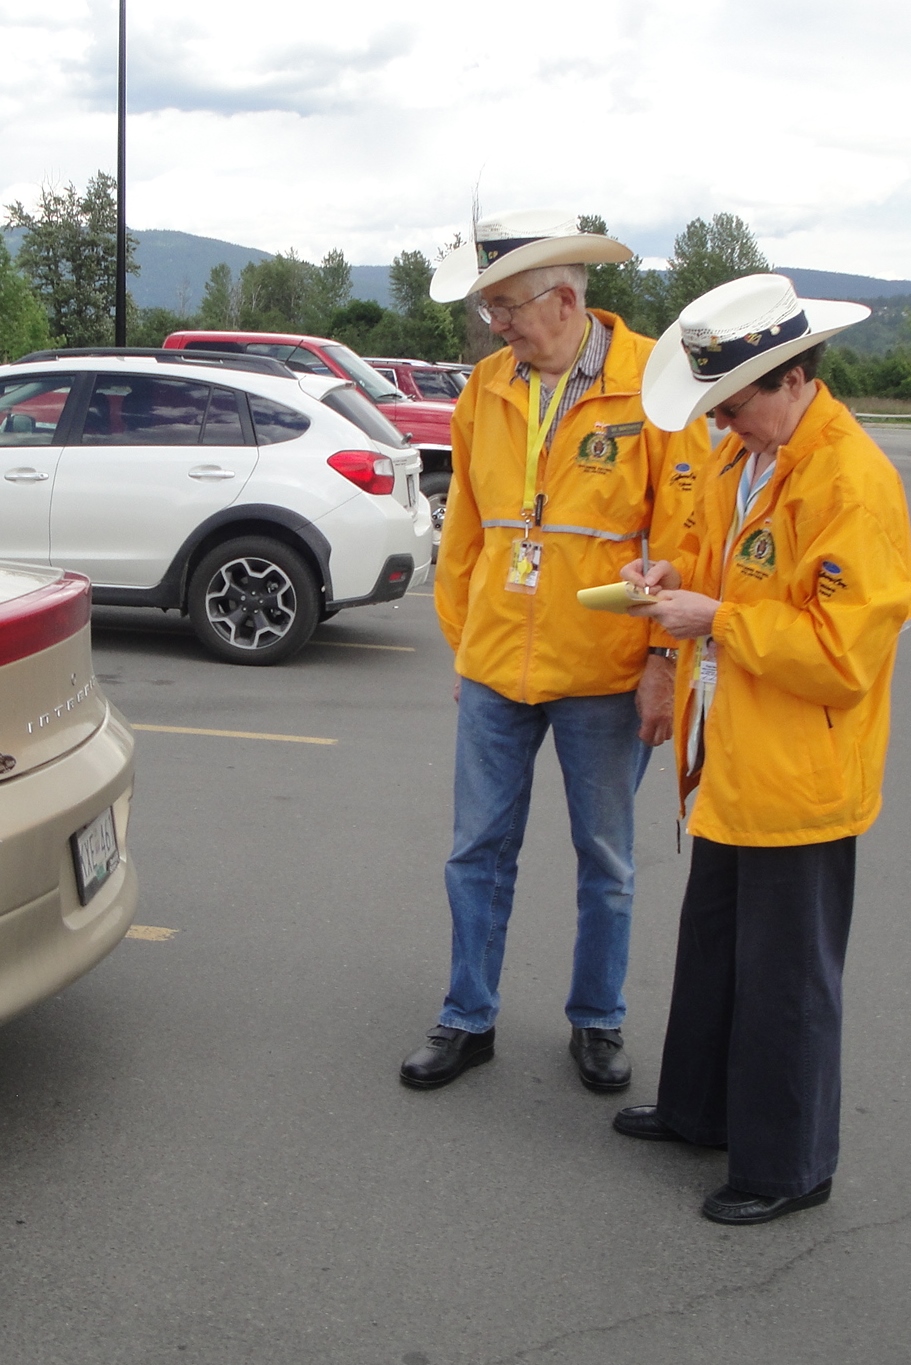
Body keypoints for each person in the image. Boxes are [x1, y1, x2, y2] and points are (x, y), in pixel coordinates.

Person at [612, 273, 911, 1224]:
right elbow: (717, 565)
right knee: (714, 952)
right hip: (732, 761)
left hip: (800, 776)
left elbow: (840, 655)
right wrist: (666, 581)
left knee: (787, 980)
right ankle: (700, 1109)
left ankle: (788, 1164)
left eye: (732, 403)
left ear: (787, 376)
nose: (723, 422)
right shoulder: (756, 455)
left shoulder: (850, 480)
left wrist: (717, 620)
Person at [399, 210, 710, 1091]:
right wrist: (465, 646)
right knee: (475, 852)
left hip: (606, 676)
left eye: (503, 306)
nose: (492, 324)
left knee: (605, 859)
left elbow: (681, 527)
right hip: (498, 667)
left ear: (564, 299)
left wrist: (658, 661)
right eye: (488, 308)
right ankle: (467, 1017)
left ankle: (597, 1019)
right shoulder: (486, 387)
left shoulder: (655, 382)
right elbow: (464, 526)